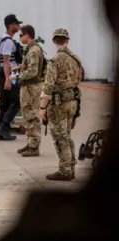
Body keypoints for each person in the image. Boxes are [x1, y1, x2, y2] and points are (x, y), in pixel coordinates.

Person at [40, 28, 82, 181]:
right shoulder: (76, 59)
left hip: (58, 104)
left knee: (59, 136)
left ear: (53, 41)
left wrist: (43, 107)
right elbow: (78, 81)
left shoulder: (54, 60)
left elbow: (48, 86)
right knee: (67, 135)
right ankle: (70, 167)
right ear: (67, 40)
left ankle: (64, 170)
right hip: (72, 102)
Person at [10, 25, 45, 157]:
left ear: (27, 35)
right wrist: (19, 67)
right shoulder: (30, 49)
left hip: (32, 87)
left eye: (21, 35)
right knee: (27, 116)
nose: (19, 38)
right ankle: (31, 143)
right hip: (27, 87)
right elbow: (29, 66)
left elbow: (33, 71)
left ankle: (34, 146)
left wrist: (17, 76)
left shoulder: (34, 50)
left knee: (32, 116)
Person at [0, 14, 23, 141]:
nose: (19, 26)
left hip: (4, 71)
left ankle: (2, 129)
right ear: (12, 25)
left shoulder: (3, 38)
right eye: (17, 24)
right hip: (8, 72)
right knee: (16, 102)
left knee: (5, 102)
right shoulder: (7, 41)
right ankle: (3, 127)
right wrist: (8, 79)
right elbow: (6, 61)